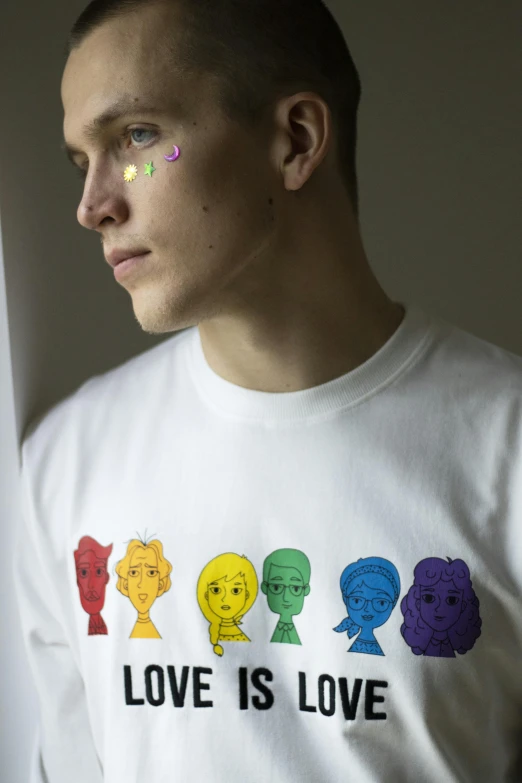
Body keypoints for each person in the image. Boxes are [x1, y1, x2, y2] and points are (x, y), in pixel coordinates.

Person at [13, 0, 522, 781]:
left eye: (136, 138)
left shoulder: (507, 449)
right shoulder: (62, 465)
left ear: (296, 139)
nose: (94, 207)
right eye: (84, 159)